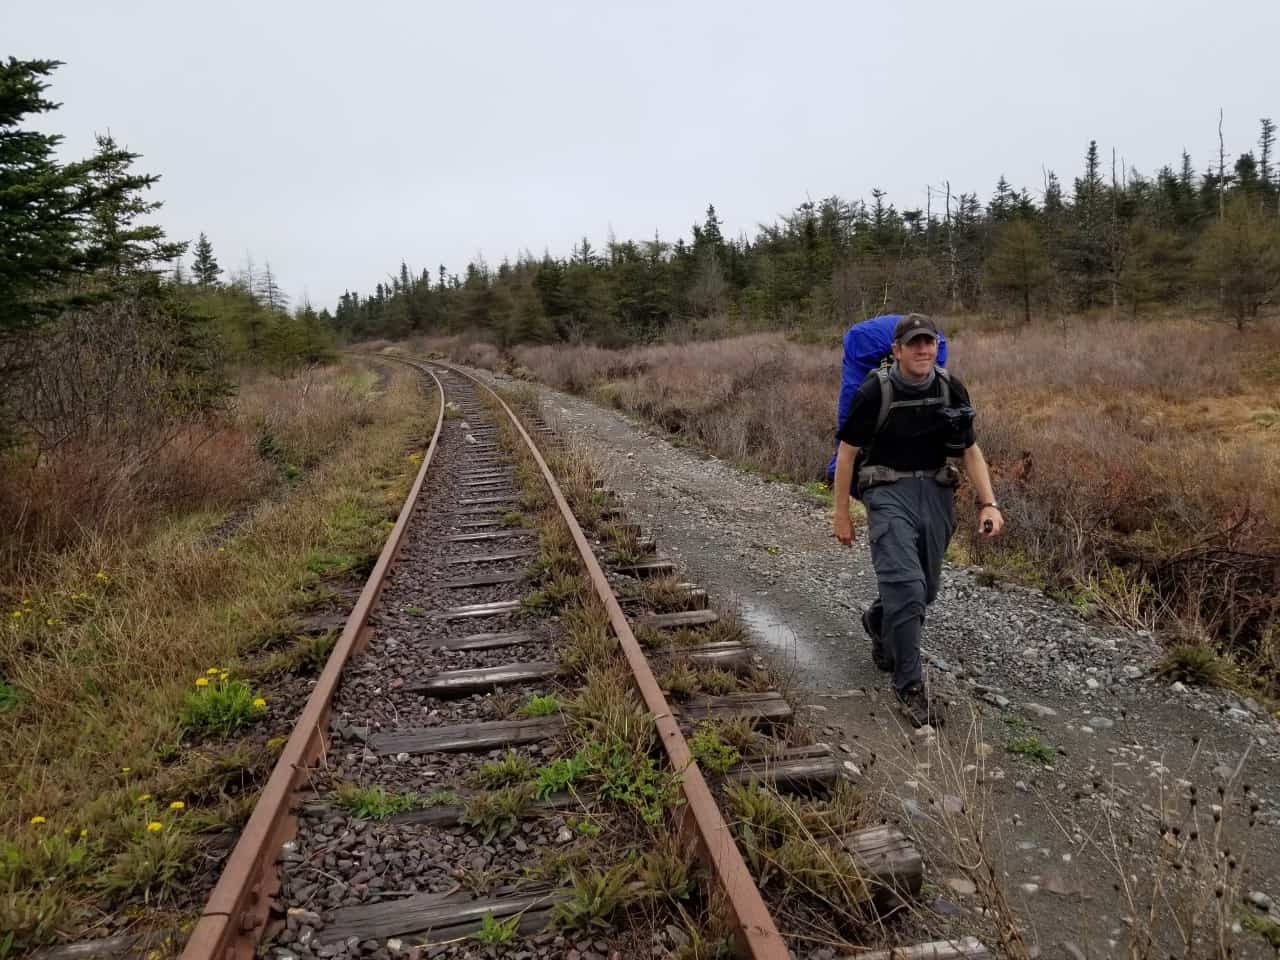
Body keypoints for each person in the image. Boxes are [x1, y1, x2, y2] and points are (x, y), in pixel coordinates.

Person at [831, 313, 1004, 727]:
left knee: (923, 591)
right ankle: (909, 687)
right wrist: (840, 512)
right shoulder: (875, 391)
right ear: (898, 350)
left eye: (929, 342)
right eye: (914, 343)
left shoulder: (950, 387)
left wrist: (989, 503)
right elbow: (847, 453)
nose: (923, 349)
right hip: (887, 492)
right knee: (906, 588)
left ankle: (878, 620)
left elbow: (970, 450)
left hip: (936, 493)